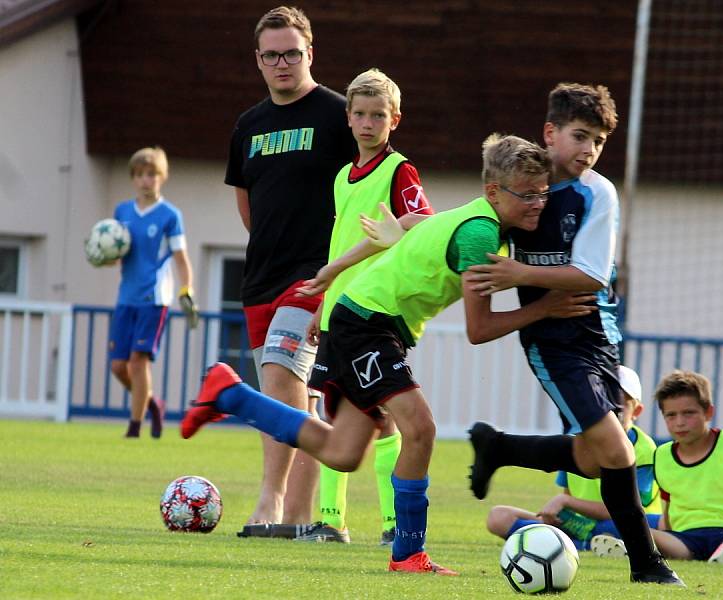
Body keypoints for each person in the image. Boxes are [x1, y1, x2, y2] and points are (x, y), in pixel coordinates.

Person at [183, 133, 597, 574]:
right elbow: (478, 330)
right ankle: (407, 553)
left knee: (343, 452)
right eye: (527, 195)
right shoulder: (480, 233)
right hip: (367, 323)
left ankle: (230, 394)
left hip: (363, 319)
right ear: (494, 192)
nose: (539, 203)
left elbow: (415, 225)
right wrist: (545, 307)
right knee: (420, 428)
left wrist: (354, 260)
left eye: (543, 193)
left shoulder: (477, 218)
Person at [465, 83, 684, 585]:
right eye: (580, 136)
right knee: (617, 449)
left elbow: (592, 276)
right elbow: (471, 224)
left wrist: (519, 275)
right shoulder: (520, 184)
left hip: (598, 339)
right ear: (550, 133)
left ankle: (498, 446)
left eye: (599, 142)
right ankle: (647, 565)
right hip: (553, 343)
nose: (589, 150)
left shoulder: (596, 193)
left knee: (590, 459)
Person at [223, 6, 354, 538]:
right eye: (272, 55)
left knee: (280, 378)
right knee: (281, 393)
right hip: (260, 278)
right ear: (258, 60)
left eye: (292, 54)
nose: (282, 63)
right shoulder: (248, 126)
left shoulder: (339, 115)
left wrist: (335, 274)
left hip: (314, 276)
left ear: (310, 54)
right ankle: (299, 517)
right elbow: (247, 204)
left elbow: (366, 188)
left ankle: (270, 500)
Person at [298, 68, 434, 545]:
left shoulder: (400, 170)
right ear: (349, 118)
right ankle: (333, 520)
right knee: (349, 416)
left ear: (394, 119)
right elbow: (342, 245)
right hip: (340, 311)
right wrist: (323, 305)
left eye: (378, 115)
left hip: (373, 312)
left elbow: (423, 221)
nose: (368, 122)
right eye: (359, 113)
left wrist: (405, 228)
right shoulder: (341, 177)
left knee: (384, 417)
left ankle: (386, 523)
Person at [591, 370, 723, 566]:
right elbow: (670, 508)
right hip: (686, 538)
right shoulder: (662, 456)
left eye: (688, 413)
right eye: (671, 415)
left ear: (708, 412)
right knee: (642, 533)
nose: (680, 422)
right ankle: (636, 551)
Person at [486, 366, 662, 550]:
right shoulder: (575, 443)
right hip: (579, 526)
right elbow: (568, 499)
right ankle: (586, 544)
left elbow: (629, 511)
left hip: (622, 525)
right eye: (604, 402)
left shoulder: (644, 449)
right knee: (498, 517)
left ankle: (572, 544)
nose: (611, 411)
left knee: (636, 526)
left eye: (619, 404)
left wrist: (566, 502)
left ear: (636, 411)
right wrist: (559, 514)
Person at [107, 146, 197, 439]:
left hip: (155, 298)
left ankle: (134, 428)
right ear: (133, 178)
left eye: (152, 174)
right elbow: (117, 253)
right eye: (141, 175)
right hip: (126, 298)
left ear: (162, 177)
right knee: (119, 367)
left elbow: (181, 259)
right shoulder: (122, 211)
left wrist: (187, 289)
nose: (147, 180)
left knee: (138, 361)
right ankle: (152, 403)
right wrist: (103, 255)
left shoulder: (170, 215)